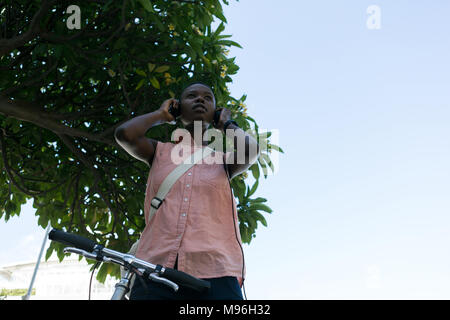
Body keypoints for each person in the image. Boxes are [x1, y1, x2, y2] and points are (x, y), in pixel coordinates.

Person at [114, 81, 259, 300]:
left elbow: (251, 149)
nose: (200, 99)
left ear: (215, 112)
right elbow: (125, 134)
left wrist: (227, 123)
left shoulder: (223, 161)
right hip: (155, 267)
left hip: (216, 270)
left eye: (207, 98)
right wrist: (161, 114)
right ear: (178, 108)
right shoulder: (159, 151)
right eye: (192, 96)